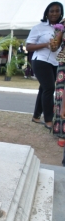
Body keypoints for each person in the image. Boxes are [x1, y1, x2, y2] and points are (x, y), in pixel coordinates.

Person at [27, 2, 63, 129]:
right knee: (49, 89)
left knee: (43, 88)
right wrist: (46, 45)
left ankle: (36, 116)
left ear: (61, 12)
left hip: (55, 62)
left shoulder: (61, 28)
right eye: (51, 11)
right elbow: (28, 46)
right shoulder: (39, 27)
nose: (54, 13)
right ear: (47, 13)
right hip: (41, 60)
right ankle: (48, 120)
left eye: (57, 11)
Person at [52, 18, 65, 151]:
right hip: (64, 63)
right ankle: (62, 133)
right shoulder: (63, 24)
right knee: (61, 94)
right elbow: (54, 46)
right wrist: (55, 39)